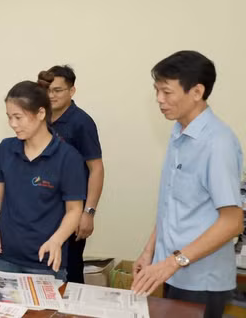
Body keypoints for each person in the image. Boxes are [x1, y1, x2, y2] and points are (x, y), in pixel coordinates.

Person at [132, 51, 243, 318]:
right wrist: (149, 252)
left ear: (197, 92)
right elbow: (172, 204)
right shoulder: (179, 132)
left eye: (167, 92)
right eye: (156, 90)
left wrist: (174, 261)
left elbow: (232, 222)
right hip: (172, 271)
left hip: (201, 280)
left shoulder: (217, 143)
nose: (159, 99)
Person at [0, 73, 86, 282]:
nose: (13, 124)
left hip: (45, 260)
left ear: (40, 113)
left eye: (18, 117)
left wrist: (57, 240)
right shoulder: (5, 149)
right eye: (9, 117)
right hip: (4, 256)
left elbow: (74, 210)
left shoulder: (68, 157)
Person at [45, 65, 105, 284]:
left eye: (58, 90)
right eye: (48, 90)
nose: (51, 95)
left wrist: (88, 212)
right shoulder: (40, 118)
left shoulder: (81, 122)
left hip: (72, 210)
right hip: (45, 210)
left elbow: (96, 168)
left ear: (72, 91)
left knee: (69, 270)